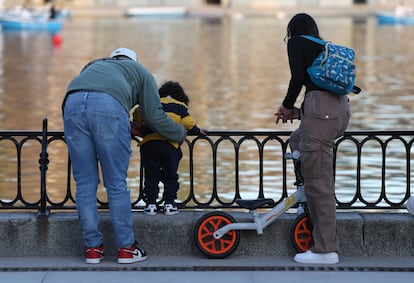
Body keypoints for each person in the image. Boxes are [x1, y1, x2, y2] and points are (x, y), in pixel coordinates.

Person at [62, 48, 186, 264]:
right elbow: (154, 116)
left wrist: (123, 123)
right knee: (116, 183)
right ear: (134, 61)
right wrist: (179, 132)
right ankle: (126, 249)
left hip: (71, 104)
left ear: (113, 58)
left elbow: (88, 98)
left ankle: (92, 249)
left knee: (84, 183)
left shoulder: (94, 65)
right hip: (109, 106)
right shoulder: (140, 71)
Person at [275, 13, 351, 265]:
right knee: (297, 141)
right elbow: (320, 95)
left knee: (319, 183)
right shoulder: (321, 46)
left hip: (321, 109)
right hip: (339, 110)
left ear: (291, 30)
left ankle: (325, 249)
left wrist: (286, 105)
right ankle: (304, 197)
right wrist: (299, 112)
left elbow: (297, 77)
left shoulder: (296, 42)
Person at [133, 81, 206, 216]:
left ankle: (151, 205)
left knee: (151, 176)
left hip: (150, 145)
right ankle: (169, 204)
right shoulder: (180, 107)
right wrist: (198, 130)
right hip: (169, 146)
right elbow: (189, 124)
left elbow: (138, 114)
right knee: (171, 176)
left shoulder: (150, 104)